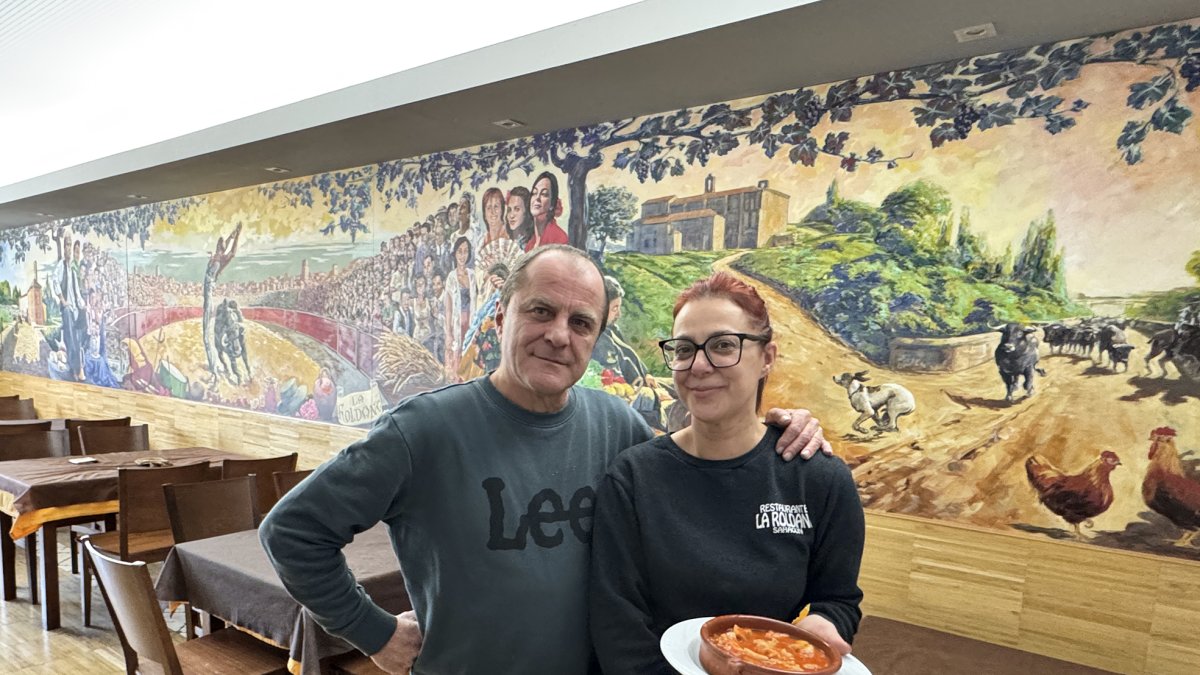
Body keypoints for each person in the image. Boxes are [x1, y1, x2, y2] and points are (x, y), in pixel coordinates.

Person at [260, 245, 832, 675]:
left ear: (596, 337)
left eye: (581, 322)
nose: (559, 335)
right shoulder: (422, 431)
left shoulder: (619, 427)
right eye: (541, 311)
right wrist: (372, 630)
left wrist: (775, 429)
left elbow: (701, 456)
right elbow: (292, 532)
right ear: (503, 315)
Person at [588, 272, 866, 675]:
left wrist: (826, 623)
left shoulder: (818, 479)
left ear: (767, 357)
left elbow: (839, 598)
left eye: (722, 345)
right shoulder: (633, 478)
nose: (699, 365)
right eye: (684, 349)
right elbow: (617, 626)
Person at [524, 171, 569, 251]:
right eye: (534, 193)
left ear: (552, 204)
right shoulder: (529, 245)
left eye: (544, 194)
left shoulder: (559, 238)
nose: (537, 198)